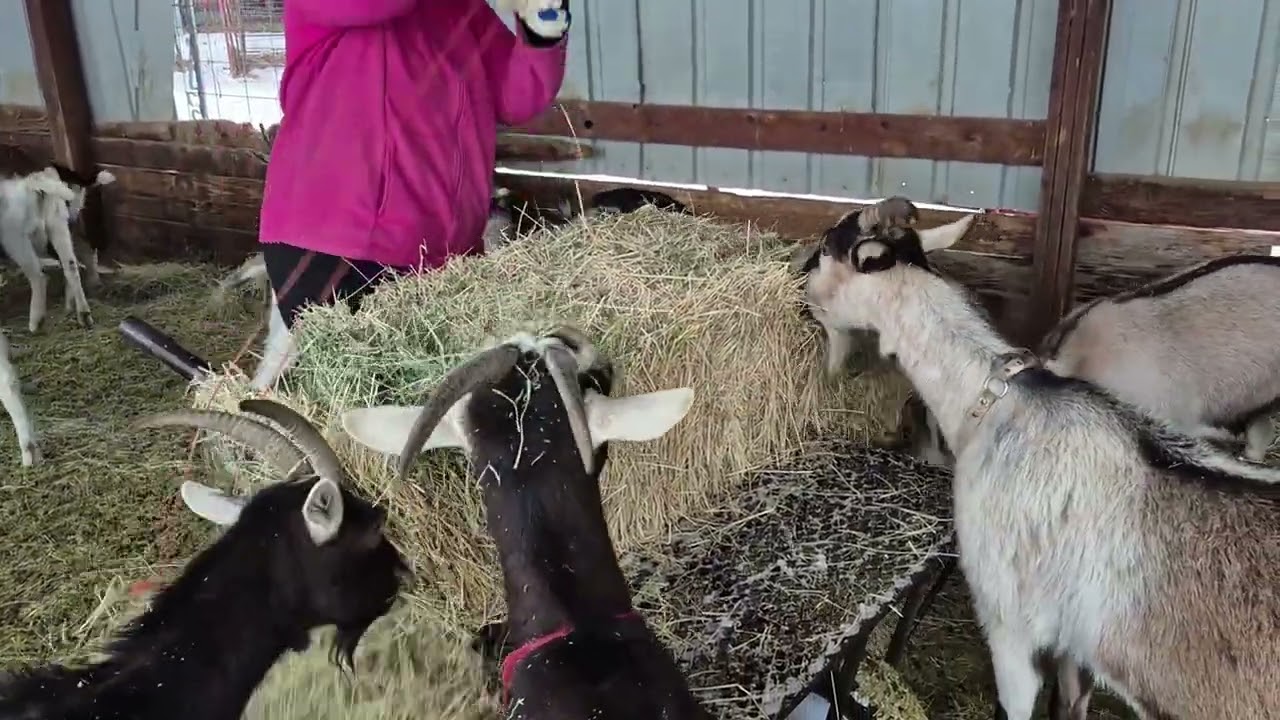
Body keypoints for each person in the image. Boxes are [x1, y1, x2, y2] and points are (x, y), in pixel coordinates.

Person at [249, 0, 571, 389]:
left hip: (441, 256)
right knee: (342, 403)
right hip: (341, 244)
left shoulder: (460, 10)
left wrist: (541, 32)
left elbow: (516, 95)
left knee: (427, 410)